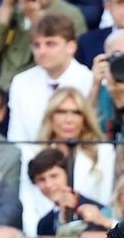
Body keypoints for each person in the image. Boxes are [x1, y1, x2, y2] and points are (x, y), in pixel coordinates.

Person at [24, 87, 119, 230]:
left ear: (84, 119)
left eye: (76, 112)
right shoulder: (32, 153)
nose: (68, 119)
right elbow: (28, 206)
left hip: (91, 231)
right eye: (61, 112)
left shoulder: (103, 152)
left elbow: (105, 202)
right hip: (45, 233)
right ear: (51, 117)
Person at [8, 14, 95, 145]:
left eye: (50, 44)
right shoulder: (21, 82)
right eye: (37, 45)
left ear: (71, 47)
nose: (42, 51)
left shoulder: (90, 81)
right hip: (30, 161)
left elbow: (91, 135)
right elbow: (17, 139)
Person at [29, 147, 113, 236]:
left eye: (54, 176)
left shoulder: (99, 211)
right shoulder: (44, 224)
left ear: (68, 174)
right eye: (41, 180)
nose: (48, 184)